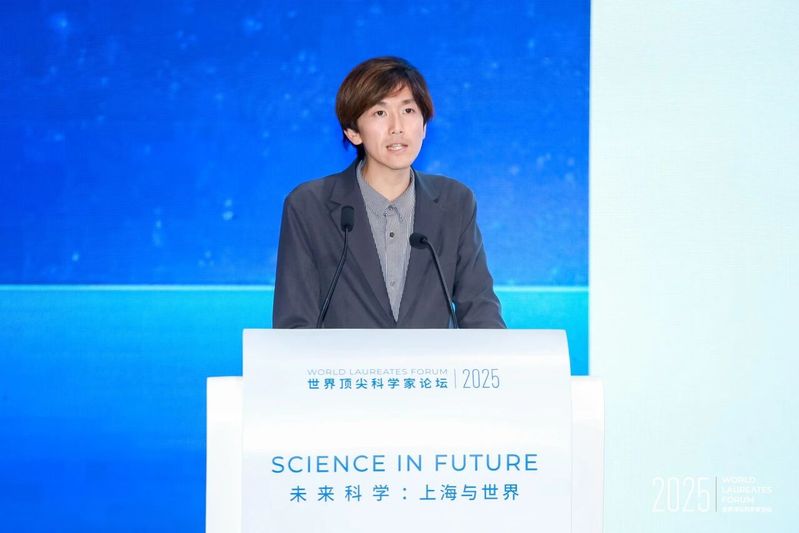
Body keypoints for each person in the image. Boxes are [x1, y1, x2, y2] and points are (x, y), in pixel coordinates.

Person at [273, 56, 504, 329]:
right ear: (353, 132)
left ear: (424, 126)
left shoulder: (454, 201)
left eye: (408, 110)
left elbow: (480, 312)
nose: (397, 127)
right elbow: (294, 323)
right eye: (380, 113)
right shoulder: (309, 206)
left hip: (428, 359)